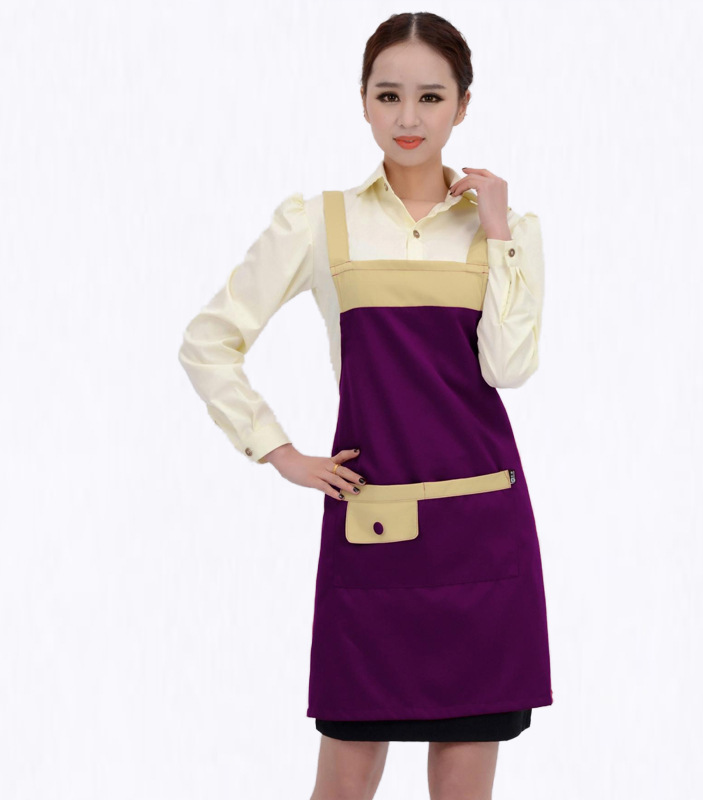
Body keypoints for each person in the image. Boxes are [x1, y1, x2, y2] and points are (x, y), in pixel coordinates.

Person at [178, 11, 552, 800]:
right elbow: (208, 341)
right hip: (372, 527)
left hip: (481, 532)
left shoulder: (508, 230)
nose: (408, 117)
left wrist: (496, 233)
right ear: (363, 100)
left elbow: (508, 366)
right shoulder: (320, 221)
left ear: (463, 105)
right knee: (344, 780)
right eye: (389, 96)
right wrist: (277, 451)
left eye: (430, 97)